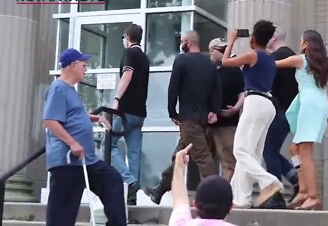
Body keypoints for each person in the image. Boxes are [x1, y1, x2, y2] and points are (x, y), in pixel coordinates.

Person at [43, 48, 126, 226]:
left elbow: (72, 114)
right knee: (63, 212)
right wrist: (72, 143)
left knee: (112, 180)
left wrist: (95, 117)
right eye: (83, 64)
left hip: (87, 160)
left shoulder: (70, 90)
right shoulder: (58, 88)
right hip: (68, 161)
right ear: (73, 65)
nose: (86, 68)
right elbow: (50, 121)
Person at [145, 30, 221, 205]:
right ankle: (160, 189)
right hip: (202, 117)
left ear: (188, 42)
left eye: (182, 41)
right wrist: (213, 110)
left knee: (202, 156)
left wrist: (172, 112)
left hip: (188, 117)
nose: (181, 44)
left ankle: (214, 196)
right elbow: (217, 89)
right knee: (179, 155)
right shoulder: (209, 64)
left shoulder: (181, 61)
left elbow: (174, 89)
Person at [276, 30, 328, 210]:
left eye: (301, 40)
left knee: (306, 153)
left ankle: (313, 195)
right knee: (295, 149)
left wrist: (254, 58)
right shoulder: (325, 64)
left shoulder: (301, 60)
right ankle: (304, 189)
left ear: (307, 43)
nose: (300, 43)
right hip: (319, 104)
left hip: (309, 105)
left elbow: (274, 64)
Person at [222, 20, 285, 208]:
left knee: (240, 150)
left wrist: (231, 41)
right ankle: (241, 199)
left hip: (255, 102)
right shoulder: (270, 59)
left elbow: (225, 62)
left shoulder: (252, 55)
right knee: (252, 155)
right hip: (268, 105)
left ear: (254, 38)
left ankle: (270, 182)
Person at [110, 24, 150, 205]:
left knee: (108, 145)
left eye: (123, 38)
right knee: (134, 153)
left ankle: (130, 181)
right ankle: (132, 197)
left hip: (125, 112)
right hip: (140, 112)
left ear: (127, 37)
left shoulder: (130, 54)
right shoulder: (144, 57)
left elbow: (127, 76)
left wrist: (117, 98)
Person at [264, 28, 299, 203]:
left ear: (273, 38)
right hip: (290, 111)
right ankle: (294, 178)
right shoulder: (292, 55)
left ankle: (275, 196)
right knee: (272, 151)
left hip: (281, 111)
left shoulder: (276, 57)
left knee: (268, 151)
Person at [168, 143, 237, 226]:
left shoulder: (181, 224)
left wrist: (179, 165)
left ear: (194, 204)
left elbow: (179, 199)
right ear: (231, 207)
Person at [207, 38, 245, 181]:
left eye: (224, 50)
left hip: (227, 125)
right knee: (206, 161)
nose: (223, 53)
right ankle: (208, 193)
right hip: (208, 123)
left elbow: (242, 93)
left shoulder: (234, 70)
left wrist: (235, 109)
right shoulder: (210, 71)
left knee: (229, 162)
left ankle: (226, 194)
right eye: (220, 50)